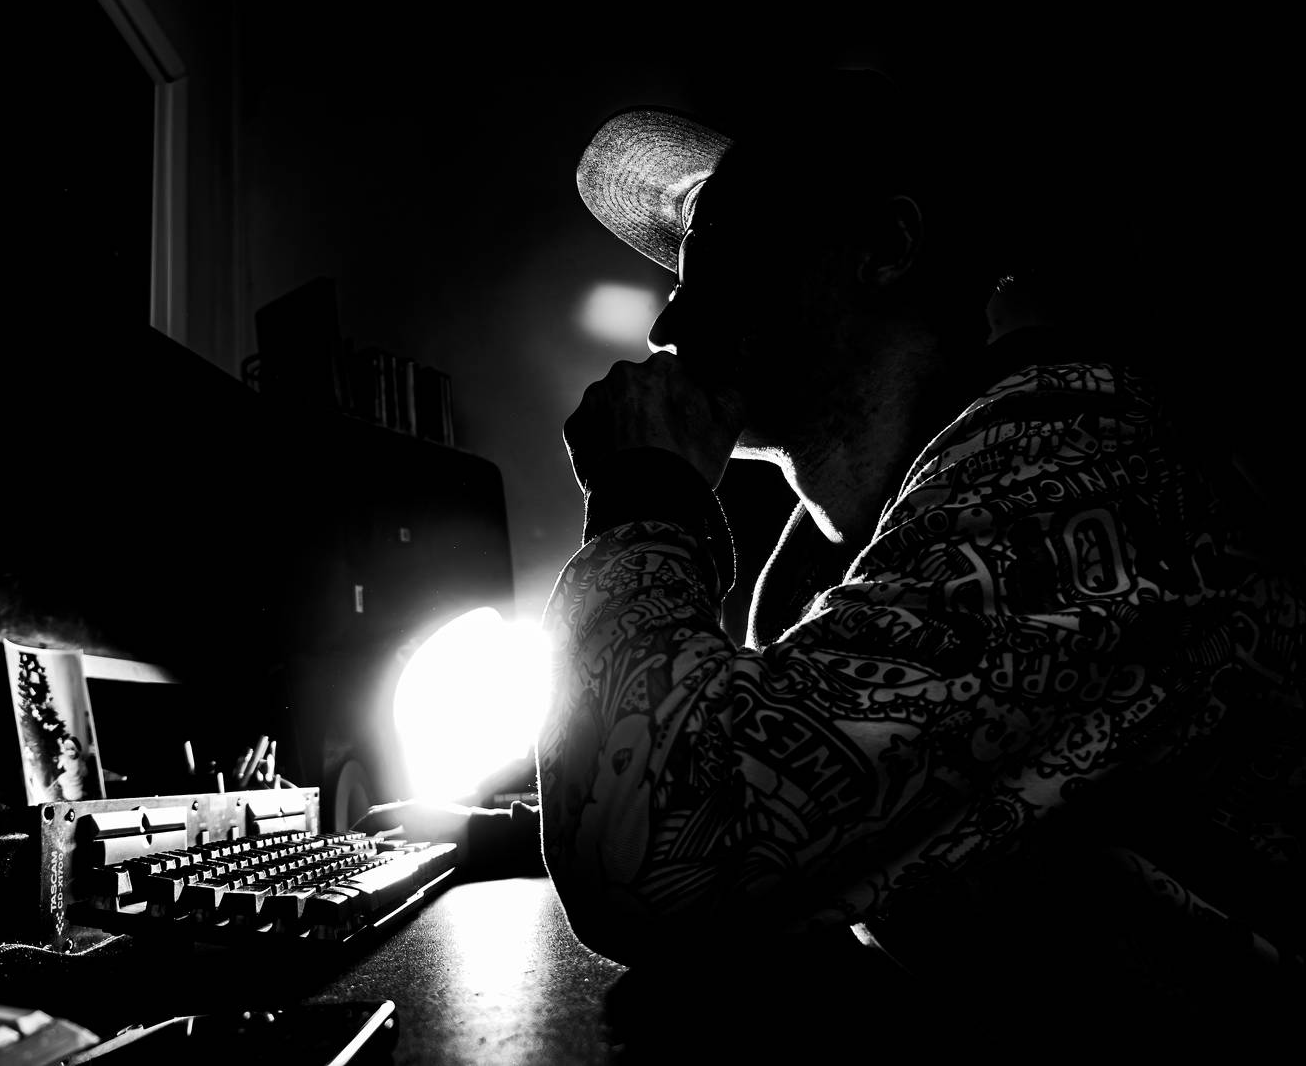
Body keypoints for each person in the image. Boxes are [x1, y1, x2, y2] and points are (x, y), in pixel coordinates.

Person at [362, 68, 1302, 1046]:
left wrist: (645, 495)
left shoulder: (1068, 470)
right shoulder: (835, 559)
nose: (666, 325)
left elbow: (660, 863)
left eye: (713, 254)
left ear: (884, 248)